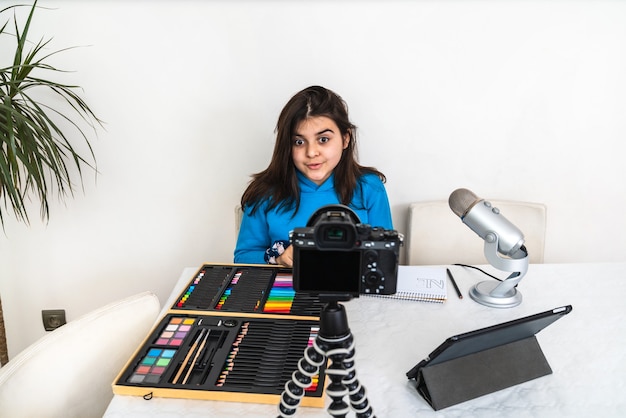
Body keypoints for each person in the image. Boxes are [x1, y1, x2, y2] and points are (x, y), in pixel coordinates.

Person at [234, 85, 393, 267]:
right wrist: (278, 259)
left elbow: (386, 255)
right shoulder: (264, 193)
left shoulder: (370, 187)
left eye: (323, 139)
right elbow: (243, 256)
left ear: (345, 139)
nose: (311, 152)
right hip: (289, 292)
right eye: (299, 142)